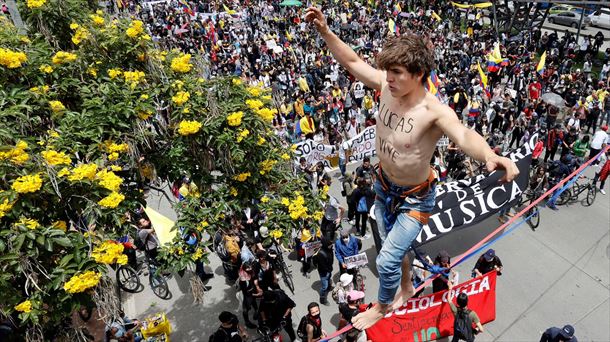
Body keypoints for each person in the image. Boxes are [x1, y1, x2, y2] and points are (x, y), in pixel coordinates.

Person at [305, 7, 519, 330]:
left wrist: (489, 155)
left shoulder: (433, 111)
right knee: (396, 246)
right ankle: (405, 286)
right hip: (383, 184)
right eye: (387, 71)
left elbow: (463, 134)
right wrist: (325, 31)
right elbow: (351, 62)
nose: (388, 79)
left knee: (388, 257)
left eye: (397, 73)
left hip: (416, 198)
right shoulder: (386, 87)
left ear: (418, 74)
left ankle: (382, 305)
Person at [312, 237, 334, 305]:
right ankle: (322, 299)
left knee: (329, 278)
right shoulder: (320, 254)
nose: (331, 246)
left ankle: (329, 287)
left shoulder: (329, 249)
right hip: (324, 272)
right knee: (324, 286)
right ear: (325, 245)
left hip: (329, 269)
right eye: (330, 245)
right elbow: (322, 266)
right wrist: (328, 270)